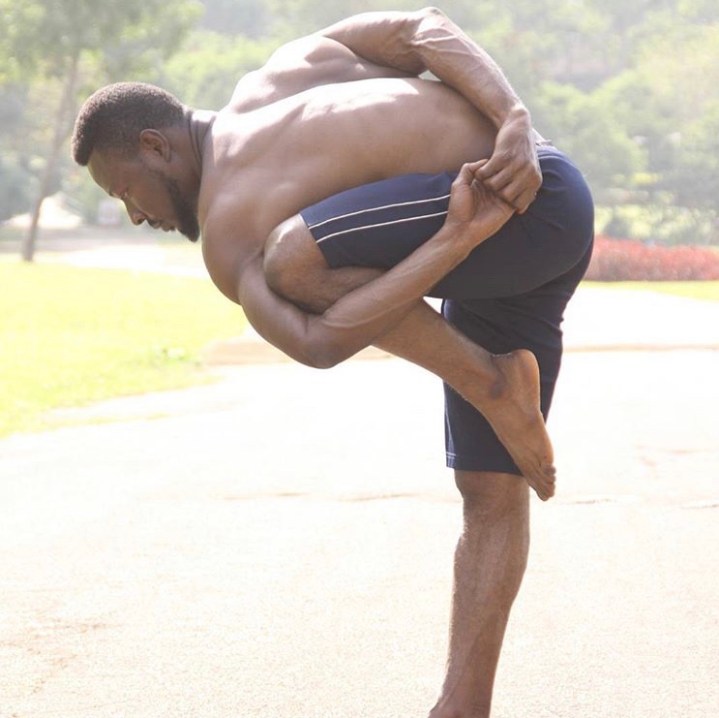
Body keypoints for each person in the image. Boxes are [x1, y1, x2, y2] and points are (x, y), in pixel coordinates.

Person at [71, 8, 593, 717]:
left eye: (123, 191)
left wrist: (502, 143)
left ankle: (491, 382)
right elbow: (423, 29)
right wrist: (507, 135)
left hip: (511, 193)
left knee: (291, 260)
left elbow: (318, 343)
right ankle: (461, 706)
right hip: (541, 206)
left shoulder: (228, 229)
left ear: (156, 146)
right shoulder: (290, 64)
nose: (135, 215)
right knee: (490, 489)